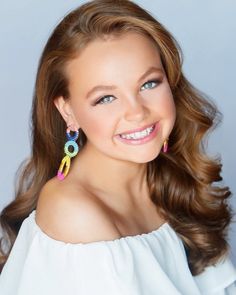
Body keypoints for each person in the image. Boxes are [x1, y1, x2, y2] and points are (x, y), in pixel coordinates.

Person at [0, 0, 235, 294]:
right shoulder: (74, 213)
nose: (137, 112)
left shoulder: (166, 179)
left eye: (149, 84)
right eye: (106, 98)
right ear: (67, 111)